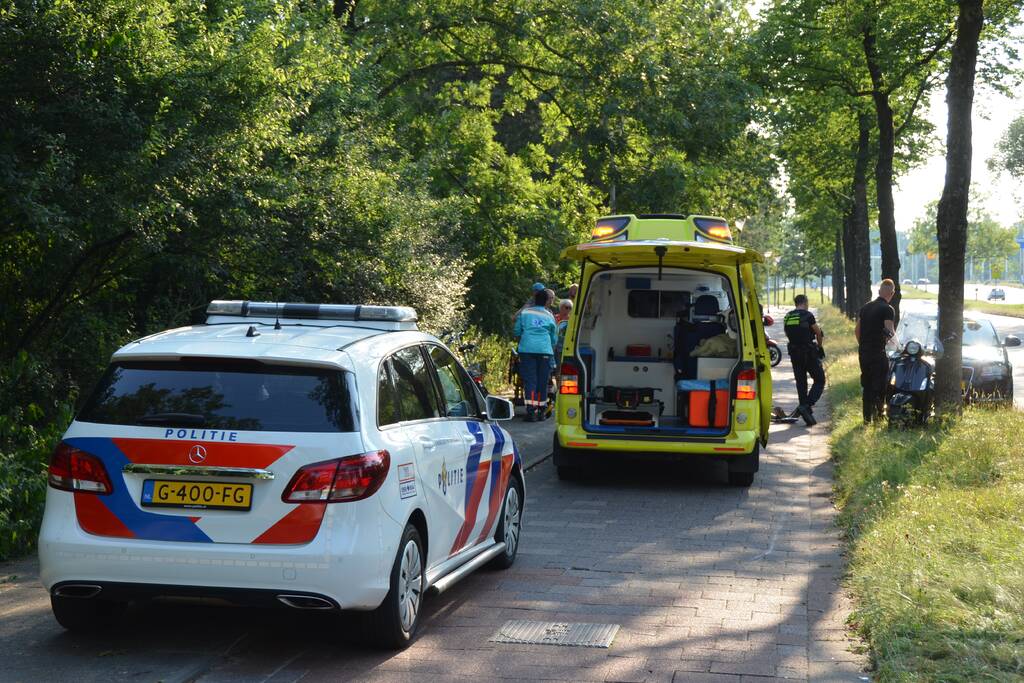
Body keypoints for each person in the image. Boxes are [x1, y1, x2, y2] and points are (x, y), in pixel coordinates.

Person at [855, 279, 897, 423]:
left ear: (879, 292)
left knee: (867, 384)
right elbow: (889, 331)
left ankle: (867, 419)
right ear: (892, 294)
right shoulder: (888, 309)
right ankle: (879, 417)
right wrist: (897, 345)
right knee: (880, 385)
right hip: (878, 352)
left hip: (864, 353)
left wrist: (864, 345)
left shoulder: (866, 307)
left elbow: (857, 330)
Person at [513, 289, 559, 421]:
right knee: (542, 382)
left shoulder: (525, 313)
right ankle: (541, 412)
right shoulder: (549, 315)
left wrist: (522, 337)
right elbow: (554, 337)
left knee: (530, 381)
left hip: (527, 350)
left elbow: (517, 330)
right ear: (546, 301)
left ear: (534, 299)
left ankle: (531, 412)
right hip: (544, 351)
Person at [783, 294, 825, 426]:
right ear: (805, 302)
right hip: (809, 352)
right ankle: (807, 405)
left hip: (794, 354)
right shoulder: (808, 315)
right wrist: (820, 346)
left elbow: (787, 334)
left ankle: (806, 411)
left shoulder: (788, 317)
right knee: (819, 379)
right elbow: (818, 332)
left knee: (801, 383)